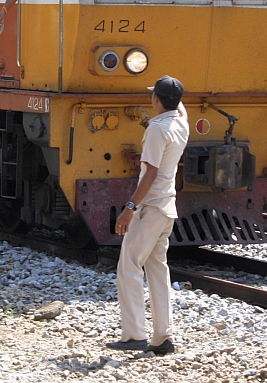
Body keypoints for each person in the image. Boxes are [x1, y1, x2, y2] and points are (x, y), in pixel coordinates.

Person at [106, 75, 189, 356]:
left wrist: (130, 208)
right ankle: (162, 337)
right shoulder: (181, 124)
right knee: (156, 269)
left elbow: (150, 172)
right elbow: (181, 108)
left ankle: (134, 334)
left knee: (128, 266)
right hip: (168, 208)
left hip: (151, 208)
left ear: (156, 100)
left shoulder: (157, 129)